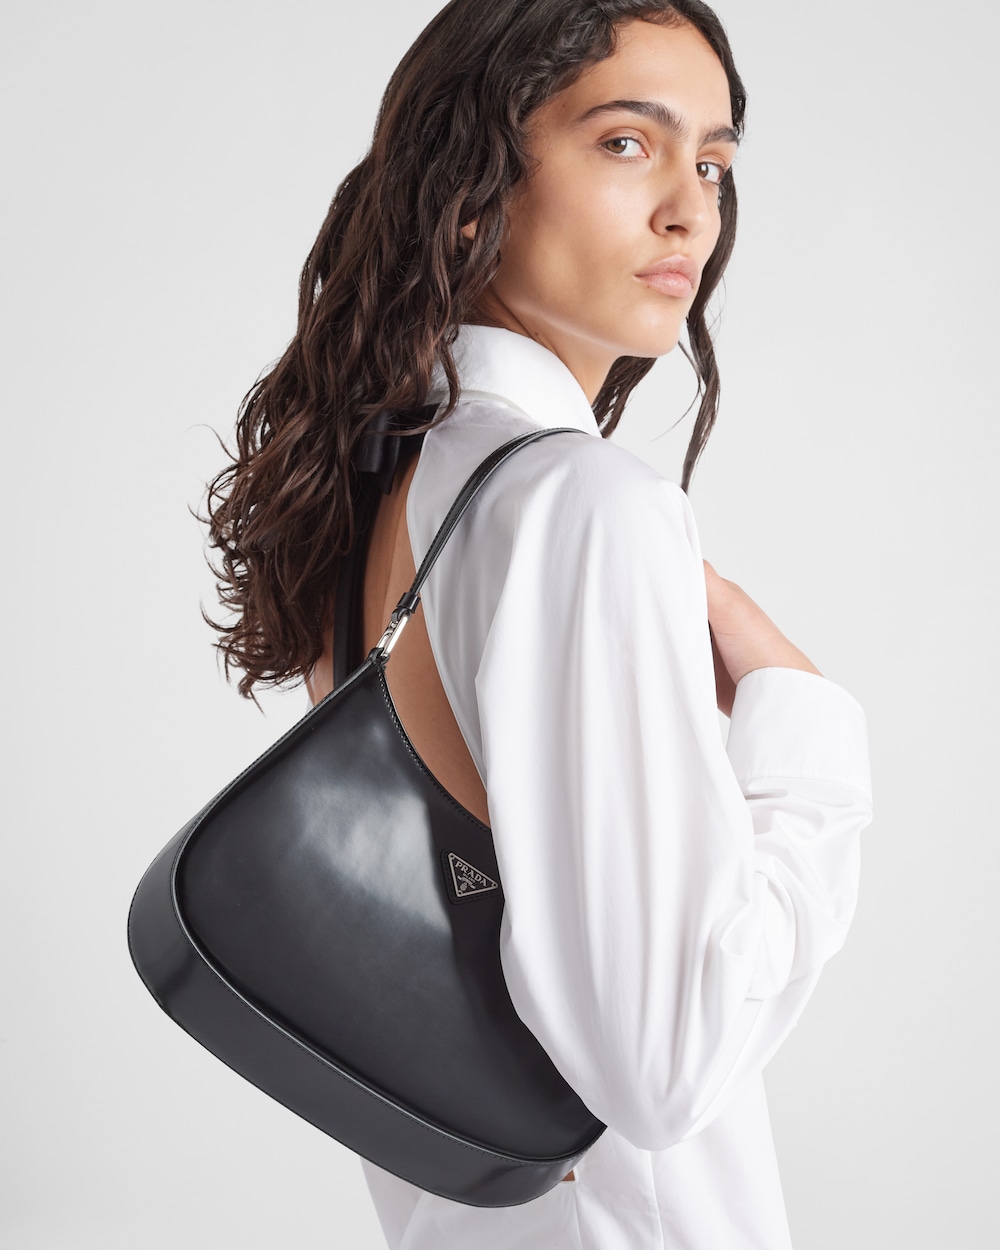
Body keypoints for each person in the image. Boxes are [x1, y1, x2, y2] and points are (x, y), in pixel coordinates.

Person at [204, 1, 873, 1246]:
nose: (688, 211)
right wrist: (811, 756)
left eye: (711, 163)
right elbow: (659, 1068)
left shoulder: (390, 483)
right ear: (472, 191)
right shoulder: (582, 501)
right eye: (626, 142)